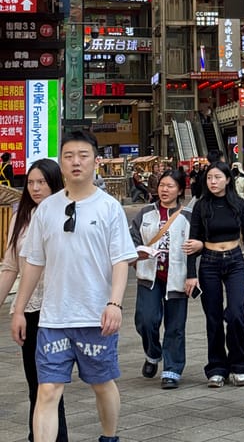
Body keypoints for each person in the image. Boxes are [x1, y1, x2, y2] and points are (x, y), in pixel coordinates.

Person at [11, 129, 137, 442]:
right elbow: (33, 264)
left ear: (96, 161)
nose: (75, 162)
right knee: (48, 389)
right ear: (62, 163)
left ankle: (109, 437)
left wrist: (115, 303)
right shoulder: (45, 210)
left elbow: (120, 260)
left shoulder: (108, 208)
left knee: (102, 383)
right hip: (54, 319)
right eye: (68, 156)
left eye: (82, 155)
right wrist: (18, 310)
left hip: (96, 317)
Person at [0, 159, 68, 442]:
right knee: (36, 383)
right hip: (29, 310)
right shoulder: (21, 218)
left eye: (42, 182)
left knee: (51, 385)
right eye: (31, 183)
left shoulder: (67, 214)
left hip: (62, 310)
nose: (36, 188)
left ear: (55, 184)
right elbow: (10, 266)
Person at [184, 161, 244, 387]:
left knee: (236, 313)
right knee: (213, 318)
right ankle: (216, 367)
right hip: (209, 264)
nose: (213, 182)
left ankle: (239, 364)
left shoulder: (239, 204)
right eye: (209, 178)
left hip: (235, 261)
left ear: (227, 179)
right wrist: (191, 274)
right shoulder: (201, 206)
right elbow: (192, 242)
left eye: (217, 177)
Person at [129, 168, 191, 389]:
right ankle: (153, 353)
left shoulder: (187, 216)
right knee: (146, 320)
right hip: (149, 275)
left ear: (180, 189)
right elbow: (131, 238)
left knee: (175, 326)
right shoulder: (145, 213)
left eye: (170, 186)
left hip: (177, 277)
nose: (165, 190)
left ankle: (172, 369)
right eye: (162, 185)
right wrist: (138, 252)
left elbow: (194, 248)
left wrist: (193, 276)